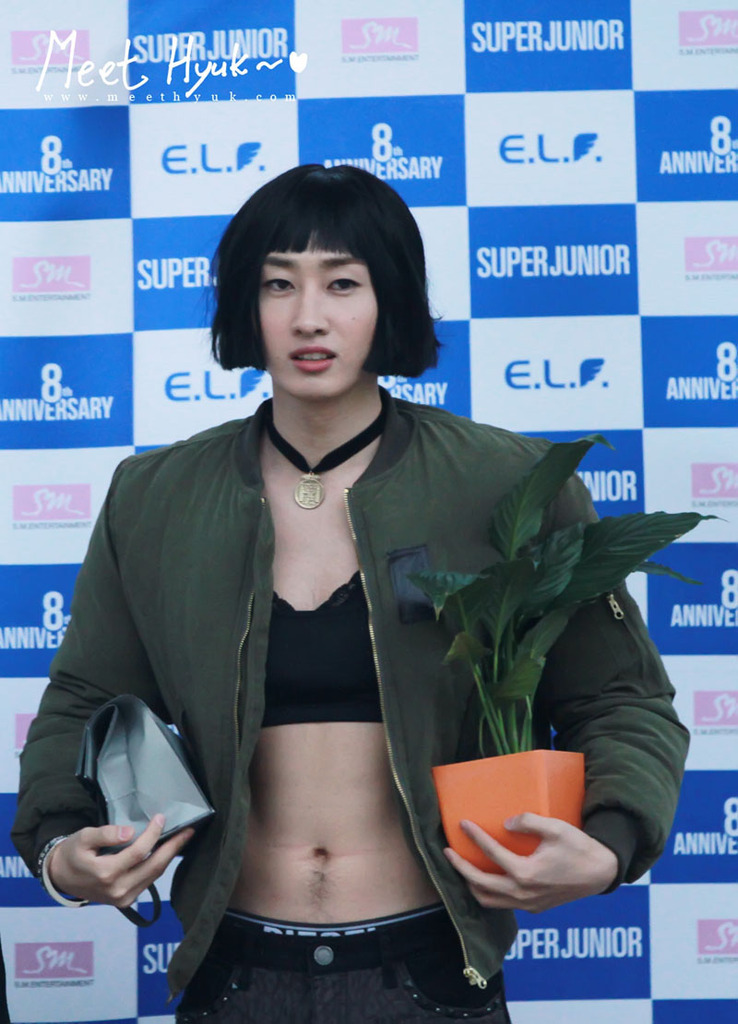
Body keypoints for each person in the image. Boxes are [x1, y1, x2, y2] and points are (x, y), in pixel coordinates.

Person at [12, 165, 688, 1023]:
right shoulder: (155, 496)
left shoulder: (508, 481)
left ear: (389, 299)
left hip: (432, 976)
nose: (309, 317)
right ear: (244, 304)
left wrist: (611, 842)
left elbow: (620, 697)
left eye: (342, 283)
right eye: (278, 284)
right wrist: (59, 847)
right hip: (234, 976)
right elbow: (82, 699)